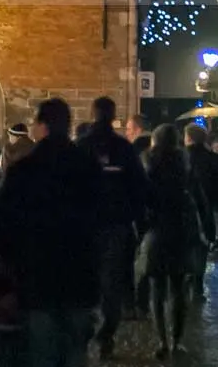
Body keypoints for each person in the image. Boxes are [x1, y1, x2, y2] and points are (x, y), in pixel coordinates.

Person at [0, 99, 105, 367]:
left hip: (37, 277)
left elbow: (5, 225)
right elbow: (103, 219)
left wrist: (11, 272)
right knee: (75, 352)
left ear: (41, 126)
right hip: (80, 275)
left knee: (42, 351)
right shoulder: (88, 167)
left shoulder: (23, 170)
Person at [75, 96, 150, 359]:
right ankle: (106, 335)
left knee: (84, 282)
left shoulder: (81, 147)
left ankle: (84, 336)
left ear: (93, 114)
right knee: (112, 284)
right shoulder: (123, 148)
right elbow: (139, 188)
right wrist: (138, 222)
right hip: (117, 225)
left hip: (85, 227)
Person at [144, 124, 207, 357]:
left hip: (157, 231)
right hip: (181, 231)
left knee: (157, 289)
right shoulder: (184, 166)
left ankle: (161, 340)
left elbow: (142, 198)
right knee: (179, 289)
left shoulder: (149, 165)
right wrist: (206, 229)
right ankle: (177, 340)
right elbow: (199, 199)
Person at [184, 123, 218, 295]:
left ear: (188, 138)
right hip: (209, 207)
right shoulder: (215, 159)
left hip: (186, 209)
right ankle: (198, 281)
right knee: (202, 246)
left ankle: (188, 276)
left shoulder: (182, 157)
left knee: (187, 245)